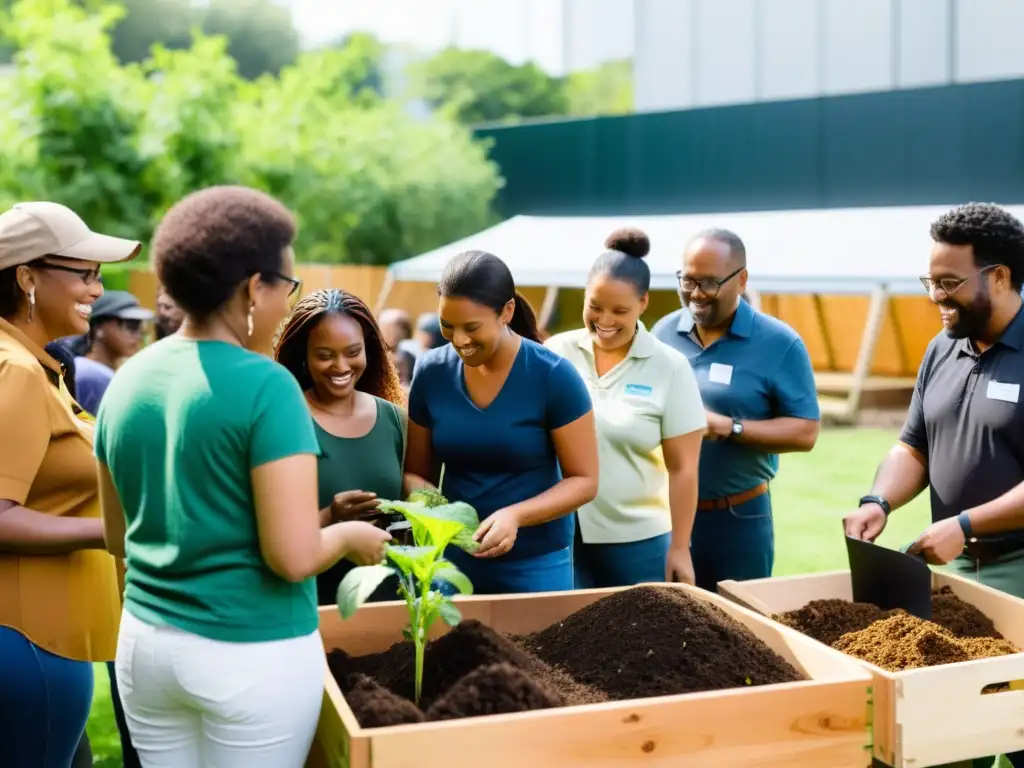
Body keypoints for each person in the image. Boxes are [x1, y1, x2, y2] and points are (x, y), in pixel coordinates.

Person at [94, 186, 391, 768]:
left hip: (145, 647)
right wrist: (354, 538)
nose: (286, 301)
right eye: (287, 285)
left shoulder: (127, 379)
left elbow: (114, 536)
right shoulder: (266, 386)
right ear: (254, 286)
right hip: (250, 652)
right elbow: (293, 556)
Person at [844, 202, 1024, 768]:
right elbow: (913, 445)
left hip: (1017, 572)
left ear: (997, 276)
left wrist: (967, 524)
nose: (935, 296)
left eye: (949, 283)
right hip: (949, 575)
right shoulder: (941, 347)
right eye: (930, 281)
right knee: (942, 743)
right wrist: (880, 499)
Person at [0, 201, 141, 767]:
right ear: (28, 277)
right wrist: (113, 530)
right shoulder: (13, 370)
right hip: (31, 641)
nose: (97, 287)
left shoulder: (32, 365)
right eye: (83, 272)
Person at [405, 250, 599, 594]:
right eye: (447, 326)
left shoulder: (553, 376)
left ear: (507, 311)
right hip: (452, 561)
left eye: (472, 327)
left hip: (536, 560)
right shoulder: (431, 371)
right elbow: (416, 473)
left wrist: (516, 516)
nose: (459, 340)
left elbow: (584, 480)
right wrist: (443, 519)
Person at [652, 228, 820, 592]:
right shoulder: (662, 333)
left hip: (739, 518)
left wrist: (730, 427)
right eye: (688, 280)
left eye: (709, 283)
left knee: (740, 631)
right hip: (663, 517)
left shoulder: (780, 343)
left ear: (741, 280)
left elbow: (806, 432)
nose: (696, 294)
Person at [544, 229, 705, 588]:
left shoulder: (671, 367)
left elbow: (684, 469)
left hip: (638, 544)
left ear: (643, 304)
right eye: (595, 307)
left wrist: (680, 547)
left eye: (620, 310)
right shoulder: (557, 352)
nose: (605, 320)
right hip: (559, 535)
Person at [275, 288, 429, 605]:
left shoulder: (397, 420)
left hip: (389, 600)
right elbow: (271, 533)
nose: (341, 366)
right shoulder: (283, 421)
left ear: (369, 350)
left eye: (352, 352)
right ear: (303, 357)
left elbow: (417, 499)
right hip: (309, 601)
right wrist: (331, 516)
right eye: (325, 355)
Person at [72, 290, 154, 416]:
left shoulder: (98, 371)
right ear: (99, 328)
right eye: (131, 325)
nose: (138, 335)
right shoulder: (88, 373)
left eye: (140, 327)